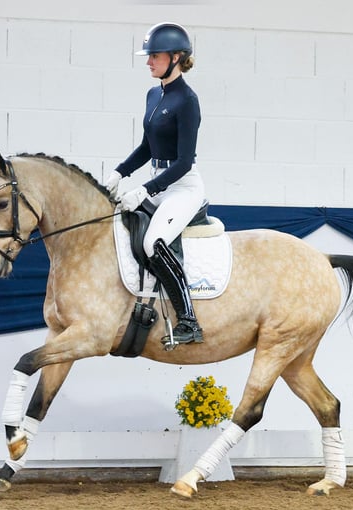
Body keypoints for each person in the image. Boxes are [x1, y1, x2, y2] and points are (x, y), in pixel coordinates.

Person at [105, 22, 206, 346]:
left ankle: (189, 321)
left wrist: (145, 191)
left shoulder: (187, 101)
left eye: (155, 56)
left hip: (183, 186)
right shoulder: (154, 94)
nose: (148, 62)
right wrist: (120, 173)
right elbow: (148, 147)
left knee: (153, 242)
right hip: (158, 182)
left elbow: (183, 162)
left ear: (177, 57)